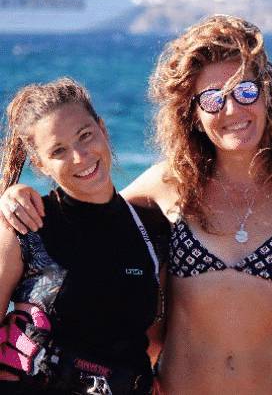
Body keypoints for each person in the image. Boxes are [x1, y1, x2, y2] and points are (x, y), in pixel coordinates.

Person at [1, 15, 272, 394]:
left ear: (268, 94)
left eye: (245, 91)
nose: (232, 109)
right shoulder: (167, 185)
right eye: (213, 99)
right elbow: (91, 220)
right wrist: (14, 199)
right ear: (194, 114)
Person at [0, 78, 167, 394]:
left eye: (85, 135)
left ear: (103, 129)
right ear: (40, 163)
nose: (80, 156)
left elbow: (153, 342)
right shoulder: (24, 226)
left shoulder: (150, 229)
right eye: (59, 150)